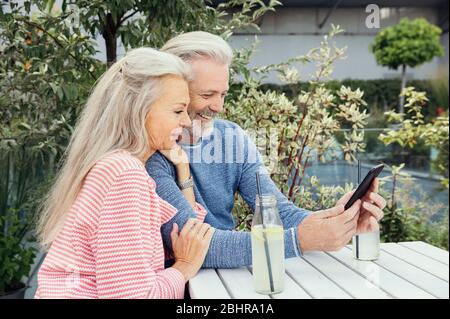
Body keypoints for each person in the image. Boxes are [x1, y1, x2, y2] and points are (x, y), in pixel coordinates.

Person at [146, 32, 386, 268]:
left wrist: (339, 219)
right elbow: (193, 247)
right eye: (207, 94)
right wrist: (300, 240)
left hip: (228, 283)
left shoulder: (232, 137)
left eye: (223, 94)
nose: (219, 107)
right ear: (173, 90)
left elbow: (278, 211)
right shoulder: (151, 153)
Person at [35, 48, 214, 299]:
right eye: (177, 110)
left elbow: (189, 234)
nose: (186, 121)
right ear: (137, 111)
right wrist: (183, 267)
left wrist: (182, 167)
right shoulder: (124, 175)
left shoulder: (117, 167)